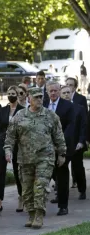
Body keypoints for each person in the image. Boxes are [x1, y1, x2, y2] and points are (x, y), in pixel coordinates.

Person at [4, 88, 67, 229]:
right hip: (25, 159)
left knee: (40, 187)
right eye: (36, 97)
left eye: (41, 97)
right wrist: (8, 151)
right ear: (29, 98)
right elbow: (10, 136)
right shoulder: (20, 116)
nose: (39, 100)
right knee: (26, 190)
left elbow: (59, 136)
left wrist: (62, 153)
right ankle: (31, 213)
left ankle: (39, 214)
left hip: (45, 158)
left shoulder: (50, 115)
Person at [43, 81, 75, 216]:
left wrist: (60, 147)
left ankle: (63, 206)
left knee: (62, 177)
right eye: (50, 91)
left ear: (59, 90)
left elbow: (70, 127)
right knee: (44, 176)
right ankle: (39, 206)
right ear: (47, 92)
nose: (53, 93)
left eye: (55, 90)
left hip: (62, 147)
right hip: (45, 148)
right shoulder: (42, 105)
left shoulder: (68, 106)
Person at [0, 86, 24, 216]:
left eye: (14, 93)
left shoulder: (23, 110)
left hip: (18, 145)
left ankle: (21, 198)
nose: (11, 95)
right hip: (3, 143)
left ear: (18, 95)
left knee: (18, 172)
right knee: (1, 173)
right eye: (9, 93)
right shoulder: (2, 110)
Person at [61, 85, 87, 200]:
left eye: (68, 92)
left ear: (72, 93)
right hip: (61, 145)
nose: (66, 94)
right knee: (60, 169)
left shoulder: (79, 108)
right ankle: (60, 193)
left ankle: (82, 190)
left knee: (78, 169)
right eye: (64, 93)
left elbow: (83, 126)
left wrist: (81, 141)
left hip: (76, 144)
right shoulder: (58, 108)